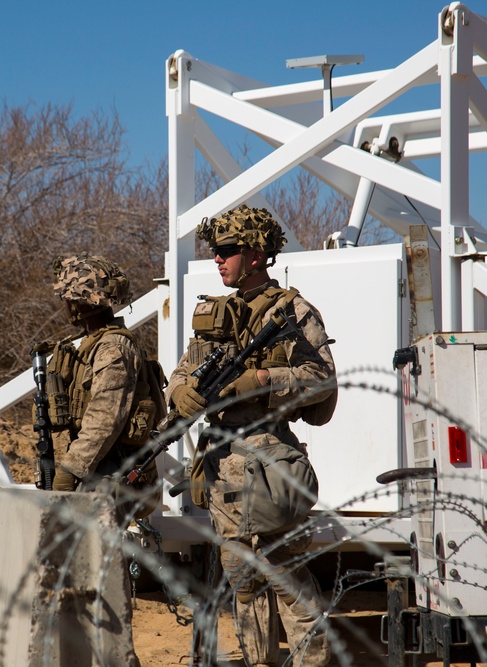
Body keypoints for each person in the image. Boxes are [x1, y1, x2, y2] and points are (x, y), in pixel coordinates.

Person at [165, 205, 337, 667]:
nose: (217, 260)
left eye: (226, 251)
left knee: (286, 578)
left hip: (269, 465)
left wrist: (261, 380)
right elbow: (184, 372)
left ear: (257, 255)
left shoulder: (292, 310)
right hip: (224, 470)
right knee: (242, 582)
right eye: (215, 253)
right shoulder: (213, 316)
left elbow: (321, 381)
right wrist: (180, 393)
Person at [47, 254, 161, 522]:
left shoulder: (112, 349)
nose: (65, 304)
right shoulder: (90, 344)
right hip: (96, 468)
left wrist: (70, 471)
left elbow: (104, 418)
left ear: (80, 303)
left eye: (68, 297)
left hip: (112, 473)